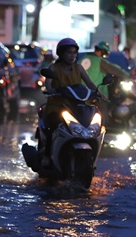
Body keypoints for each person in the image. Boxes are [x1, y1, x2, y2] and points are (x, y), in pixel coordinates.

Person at [41, 37, 98, 166]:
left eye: (74, 52)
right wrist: (50, 90)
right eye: (69, 53)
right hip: (57, 105)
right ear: (61, 54)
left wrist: (99, 94)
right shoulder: (54, 68)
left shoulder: (79, 68)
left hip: (76, 106)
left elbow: (89, 83)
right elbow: (48, 83)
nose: (72, 55)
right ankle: (47, 156)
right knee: (53, 126)